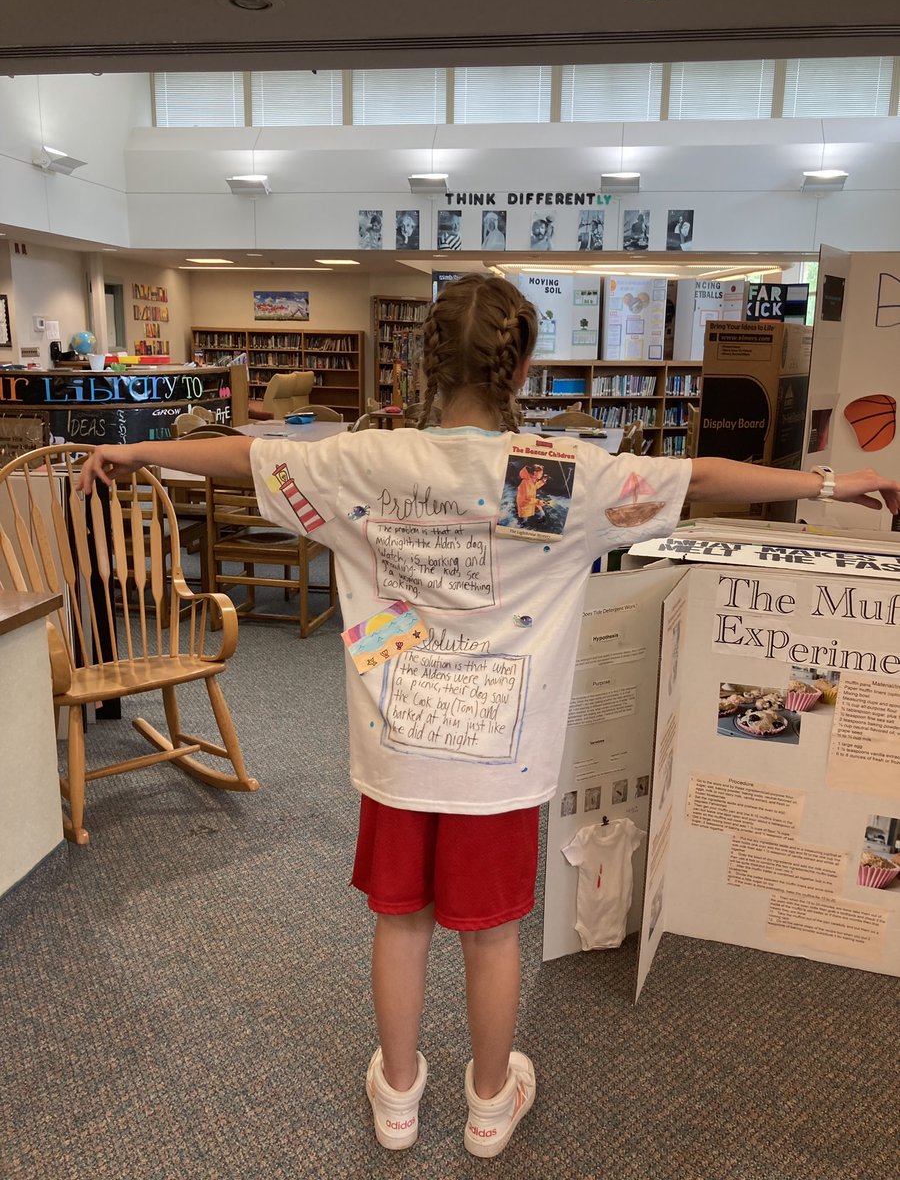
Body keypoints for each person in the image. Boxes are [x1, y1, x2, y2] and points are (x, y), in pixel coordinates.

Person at [77, 275, 900, 1160]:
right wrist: (828, 478)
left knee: (400, 923)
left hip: (397, 749)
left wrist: (138, 455)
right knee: (493, 932)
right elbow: (697, 476)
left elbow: (242, 455)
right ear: (525, 363)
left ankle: (397, 1096)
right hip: (500, 761)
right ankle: (486, 1100)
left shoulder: (369, 459)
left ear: (424, 360)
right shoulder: (552, 477)